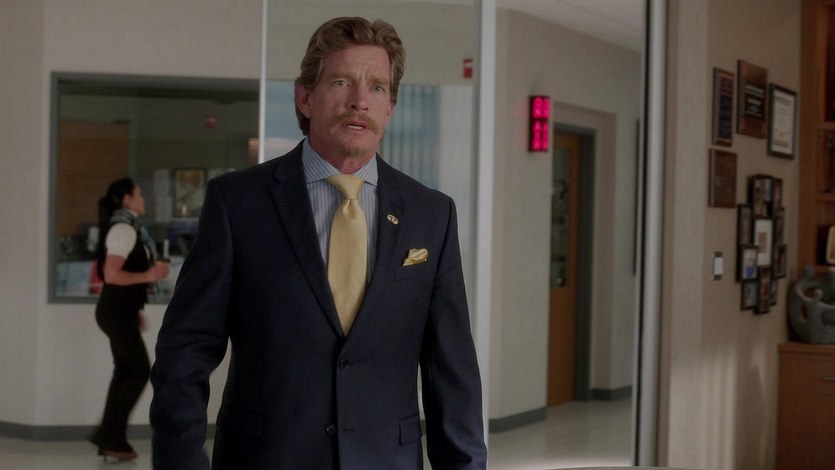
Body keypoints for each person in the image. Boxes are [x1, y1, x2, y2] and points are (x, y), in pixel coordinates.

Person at [150, 16, 487, 470]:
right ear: (305, 97)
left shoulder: (431, 214)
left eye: (377, 87)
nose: (359, 100)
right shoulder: (238, 203)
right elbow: (186, 352)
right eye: (342, 82)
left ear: (390, 107)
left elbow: (453, 370)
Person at [90, 177, 170, 461]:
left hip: (119, 311)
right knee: (137, 371)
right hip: (115, 311)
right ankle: (110, 438)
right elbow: (112, 275)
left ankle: (110, 439)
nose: (143, 199)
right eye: (138, 194)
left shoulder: (129, 228)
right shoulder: (123, 229)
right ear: (126, 199)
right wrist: (150, 275)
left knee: (125, 372)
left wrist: (135, 310)